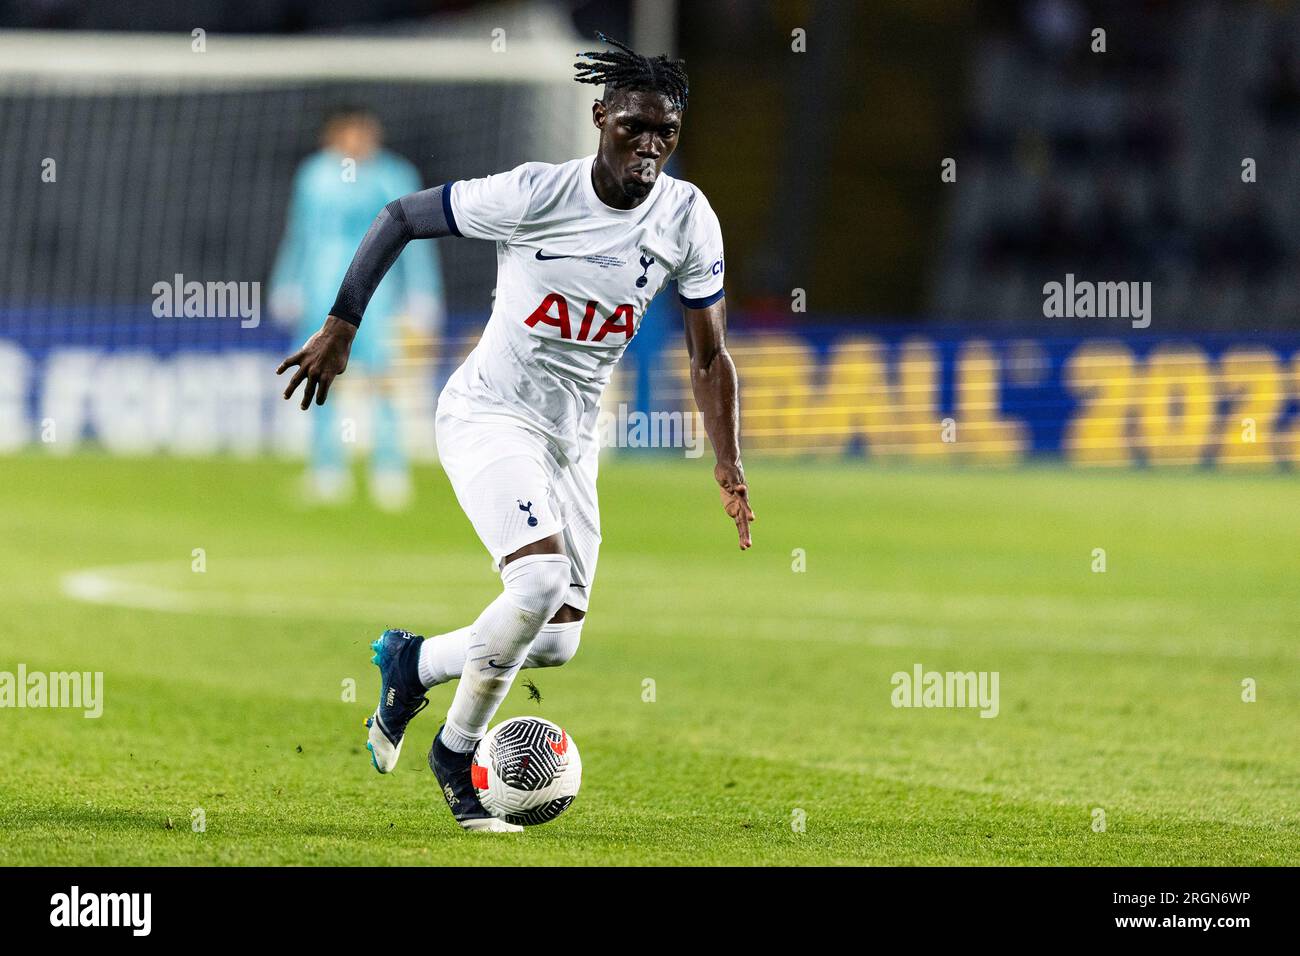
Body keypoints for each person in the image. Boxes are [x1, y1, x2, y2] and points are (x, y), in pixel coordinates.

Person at [277, 35, 754, 831]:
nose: (649, 144)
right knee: (533, 585)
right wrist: (341, 324)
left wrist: (729, 464)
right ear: (600, 117)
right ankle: (456, 758)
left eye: (664, 132)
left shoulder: (688, 218)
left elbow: (711, 356)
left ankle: (413, 663)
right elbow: (400, 216)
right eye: (633, 125)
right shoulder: (535, 192)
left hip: (572, 439)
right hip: (490, 413)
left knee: (558, 642)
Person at [270, 105, 442, 510]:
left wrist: (423, 290)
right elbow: (300, 233)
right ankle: (327, 469)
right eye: (349, 132)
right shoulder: (314, 176)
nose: (357, 140)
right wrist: (286, 282)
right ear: (333, 135)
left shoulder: (394, 175)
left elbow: (415, 236)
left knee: (383, 378)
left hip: (376, 293)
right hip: (320, 288)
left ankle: (389, 468)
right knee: (318, 374)